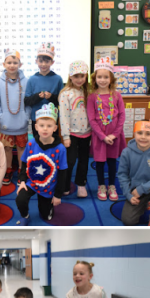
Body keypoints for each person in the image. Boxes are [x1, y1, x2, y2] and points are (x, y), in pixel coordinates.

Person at [15, 103, 67, 224]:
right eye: (42, 125)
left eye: (49, 126)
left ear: (55, 128)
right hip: (31, 182)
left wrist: (58, 195)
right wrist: (22, 181)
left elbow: (63, 173)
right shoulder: (31, 144)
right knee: (20, 199)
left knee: (46, 216)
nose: (45, 129)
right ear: (36, 127)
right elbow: (24, 163)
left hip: (48, 186)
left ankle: (47, 207)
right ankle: (25, 216)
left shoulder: (60, 149)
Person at [117, 120, 150, 226]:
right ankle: (145, 203)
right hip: (135, 190)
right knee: (128, 221)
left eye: (148, 134)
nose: (143, 137)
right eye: (140, 133)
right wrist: (128, 195)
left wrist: (141, 189)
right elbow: (122, 175)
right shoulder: (126, 152)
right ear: (134, 134)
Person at [87, 57, 125, 202]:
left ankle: (112, 185)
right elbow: (92, 119)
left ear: (111, 79)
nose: (102, 80)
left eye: (106, 77)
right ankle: (101, 185)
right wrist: (103, 136)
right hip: (99, 137)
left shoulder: (116, 95)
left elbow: (121, 116)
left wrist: (115, 135)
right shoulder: (92, 97)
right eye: (99, 77)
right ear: (94, 78)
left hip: (115, 136)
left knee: (112, 161)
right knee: (100, 162)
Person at [0, 50, 29, 186]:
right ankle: (8, 170)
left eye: (15, 62)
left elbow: (28, 101)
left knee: (21, 147)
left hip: (21, 123)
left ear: (20, 64)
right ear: (4, 64)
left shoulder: (26, 81)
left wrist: (26, 116)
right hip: (5, 124)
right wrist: (0, 117)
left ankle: (21, 171)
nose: (12, 65)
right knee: (6, 148)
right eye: (9, 62)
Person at [58, 60, 92, 198]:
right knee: (70, 161)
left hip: (87, 133)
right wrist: (66, 136)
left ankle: (81, 184)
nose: (79, 79)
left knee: (84, 160)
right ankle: (65, 185)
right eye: (76, 76)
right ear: (70, 76)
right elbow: (64, 116)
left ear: (86, 76)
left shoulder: (88, 91)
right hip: (72, 133)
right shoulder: (65, 93)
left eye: (82, 76)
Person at [24, 43, 64, 141]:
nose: (43, 64)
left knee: (52, 143)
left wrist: (51, 97)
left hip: (52, 118)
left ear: (52, 62)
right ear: (36, 61)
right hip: (37, 119)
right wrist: (37, 97)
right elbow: (27, 101)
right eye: (41, 61)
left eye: (47, 61)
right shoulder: (32, 79)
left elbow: (62, 101)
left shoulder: (57, 79)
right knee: (38, 143)